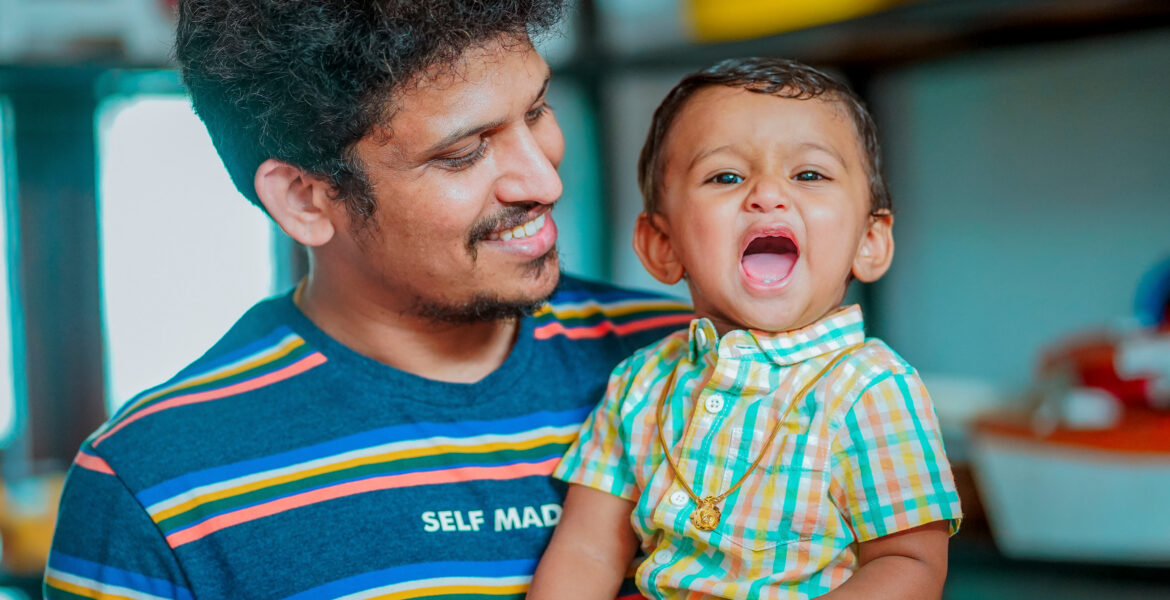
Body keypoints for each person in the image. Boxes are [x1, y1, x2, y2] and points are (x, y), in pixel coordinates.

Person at [43, 1, 693, 598]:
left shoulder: (693, 358)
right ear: (303, 199)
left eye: (537, 111)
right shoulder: (151, 487)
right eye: (463, 153)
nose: (544, 180)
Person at [529, 58, 963, 600]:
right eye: (726, 177)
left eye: (809, 175)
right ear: (663, 246)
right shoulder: (640, 384)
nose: (767, 194)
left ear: (869, 242)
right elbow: (587, 549)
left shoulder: (871, 389)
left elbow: (910, 563)